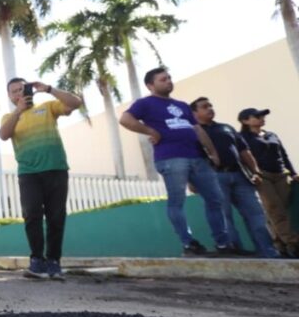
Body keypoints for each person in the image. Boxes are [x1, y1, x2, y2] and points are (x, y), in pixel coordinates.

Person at [119, 67, 230, 256]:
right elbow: (125, 119)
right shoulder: (145, 103)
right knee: (177, 201)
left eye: (169, 78)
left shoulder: (183, 105)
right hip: (171, 158)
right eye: (163, 79)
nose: (169, 81)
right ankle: (188, 243)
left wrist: (212, 152)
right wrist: (150, 131)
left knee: (215, 199)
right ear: (150, 85)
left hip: (198, 158)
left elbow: (197, 129)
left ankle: (224, 244)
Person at [0, 78, 83, 280]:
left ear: (30, 90)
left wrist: (49, 89)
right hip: (28, 173)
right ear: (10, 96)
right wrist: (18, 111)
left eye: (22, 89)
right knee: (32, 215)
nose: (19, 93)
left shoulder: (47, 108)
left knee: (56, 217)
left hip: (56, 168)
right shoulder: (9, 117)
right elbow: (3, 134)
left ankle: (54, 261)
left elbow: (75, 103)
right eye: (14, 92)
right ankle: (37, 260)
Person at [190, 98, 280, 258]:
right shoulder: (192, 132)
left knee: (256, 214)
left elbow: (244, 151)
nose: (210, 108)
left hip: (240, 176)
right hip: (213, 178)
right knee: (224, 217)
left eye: (211, 105)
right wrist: (191, 182)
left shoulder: (226, 128)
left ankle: (268, 252)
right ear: (194, 113)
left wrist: (255, 172)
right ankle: (236, 253)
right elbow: (189, 159)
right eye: (204, 107)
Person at [238, 108, 299, 257]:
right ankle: (293, 243)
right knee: (274, 208)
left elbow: (283, 155)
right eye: (257, 116)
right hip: (262, 176)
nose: (261, 118)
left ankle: (279, 243)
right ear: (245, 121)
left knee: (284, 209)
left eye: (262, 116)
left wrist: (293, 173)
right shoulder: (242, 138)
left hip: (280, 175)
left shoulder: (272, 135)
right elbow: (242, 158)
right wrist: (252, 174)